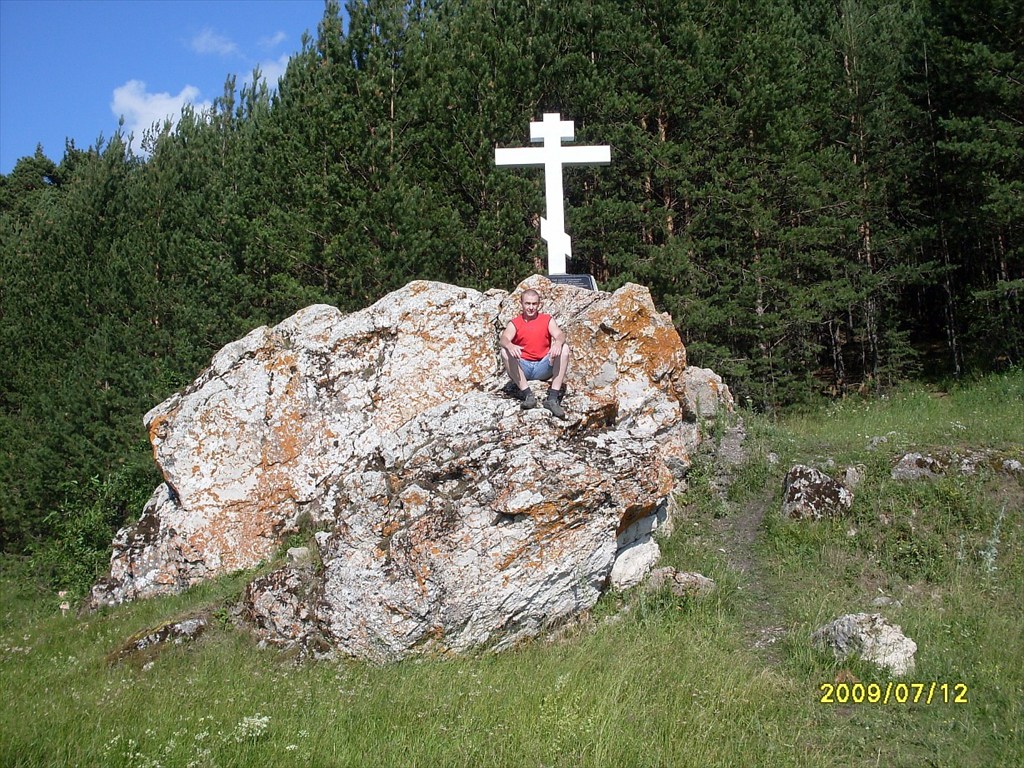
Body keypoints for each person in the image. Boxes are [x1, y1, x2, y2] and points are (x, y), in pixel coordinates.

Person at [499, 289, 570, 417]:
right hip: (523, 368)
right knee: (505, 350)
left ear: (539, 304)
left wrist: (558, 343)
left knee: (564, 348)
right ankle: (528, 396)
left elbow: (560, 334)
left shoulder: (547, 319)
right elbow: (504, 339)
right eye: (527, 303)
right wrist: (510, 345)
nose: (531, 307)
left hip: (543, 366)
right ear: (521, 303)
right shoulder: (515, 323)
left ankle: (552, 399)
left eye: (534, 304)